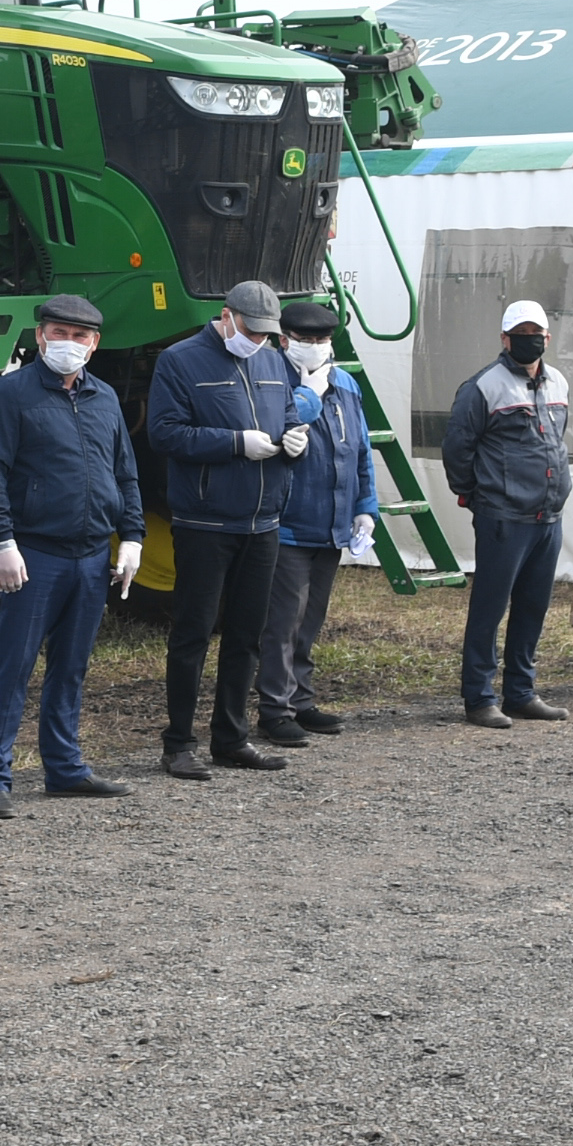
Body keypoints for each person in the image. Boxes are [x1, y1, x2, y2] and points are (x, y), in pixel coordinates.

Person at [0, 292, 146, 812]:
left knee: (71, 667)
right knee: (14, 665)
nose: (68, 344)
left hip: (91, 558)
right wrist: (2, 541)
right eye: (59, 334)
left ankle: (64, 768)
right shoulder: (12, 395)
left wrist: (131, 536)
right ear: (40, 335)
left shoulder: (106, 398)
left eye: (80, 336)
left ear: (95, 344)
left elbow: (124, 472)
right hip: (35, 555)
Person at [148, 279, 309, 774]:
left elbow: (287, 414)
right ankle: (178, 743)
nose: (257, 340)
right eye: (250, 330)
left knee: (247, 633)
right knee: (193, 632)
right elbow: (165, 433)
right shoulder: (179, 361)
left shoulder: (274, 361)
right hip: (205, 520)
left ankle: (231, 737)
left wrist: (295, 438)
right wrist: (234, 442)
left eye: (265, 333)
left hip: (262, 521)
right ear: (225, 316)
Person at [440, 296, 573, 728]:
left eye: (536, 335)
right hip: (503, 516)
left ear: (547, 338)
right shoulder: (482, 387)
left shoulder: (558, 381)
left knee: (533, 607)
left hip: (547, 516)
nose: (529, 342)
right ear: (504, 338)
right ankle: (479, 698)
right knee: (490, 608)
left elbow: (557, 438)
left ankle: (521, 692)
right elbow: (457, 448)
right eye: (521, 335)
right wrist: (475, 496)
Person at [258, 296, 377, 742]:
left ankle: (301, 700)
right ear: (284, 339)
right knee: (283, 622)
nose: (314, 346)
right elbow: (280, 424)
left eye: (322, 339)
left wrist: (366, 508)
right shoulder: (271, 378)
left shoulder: (345, 383)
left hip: (332, 524)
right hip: (288, 523)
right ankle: (275, 710)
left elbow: (360, 452)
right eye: (305, 339)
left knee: (311, 620)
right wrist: (311, 392)